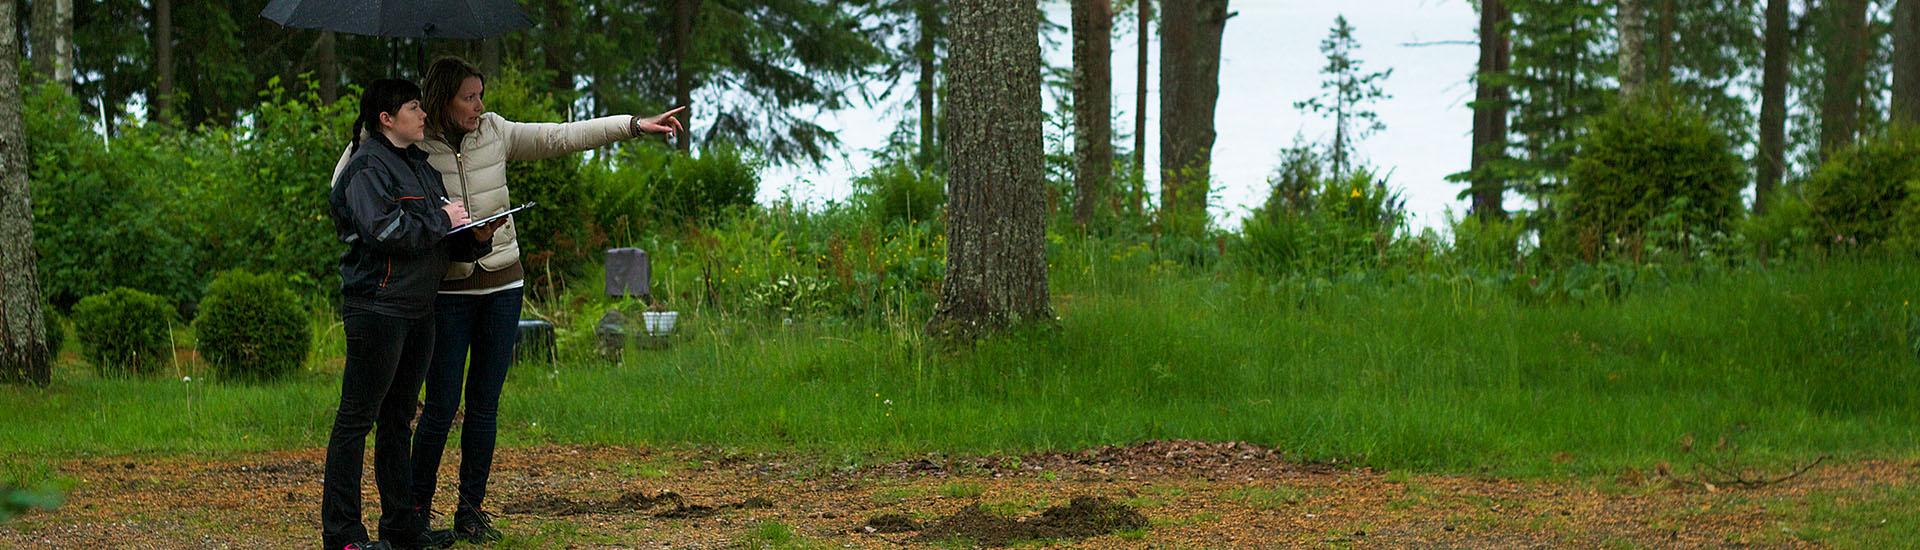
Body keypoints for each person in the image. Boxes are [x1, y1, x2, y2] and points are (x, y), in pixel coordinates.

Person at [406, 56, 683, 543]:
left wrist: (634, 125)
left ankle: (470, 513)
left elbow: (561, 136)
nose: (479, 105)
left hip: (503, 286)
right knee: (440, 406)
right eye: (468, 97)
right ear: (442, 100)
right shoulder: (414, 139)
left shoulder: (495, 130)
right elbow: (358, 166)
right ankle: (414, 513)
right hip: (447, 290)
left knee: (484, 404)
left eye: (480, 95)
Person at [322, 78, 503, 550]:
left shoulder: (420, 166)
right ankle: (343, 535)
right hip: (377, 308)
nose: (424, 115)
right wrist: (444, 221)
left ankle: (402, 527)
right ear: (387, 119)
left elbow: (437, 234)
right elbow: (384, 230)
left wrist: (474, 236)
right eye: (413, 107)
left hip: (420, 309)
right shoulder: (366, 168)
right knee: (356, 421)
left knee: (399, 419)